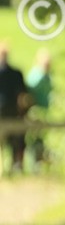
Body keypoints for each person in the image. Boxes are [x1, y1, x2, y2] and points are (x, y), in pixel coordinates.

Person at [0, 43, 28, 173]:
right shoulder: (16, 73)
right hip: (12, 110)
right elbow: (22, 95)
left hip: (5, 110)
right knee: (14, 139)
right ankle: (13, 166)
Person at [25, 51, 53, 168]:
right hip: (36, 111)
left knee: (41, 138)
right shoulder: (36, 76)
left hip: (44, 110)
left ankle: (39, 162)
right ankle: (35, 164)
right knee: (36, 139)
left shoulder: (47, 75)